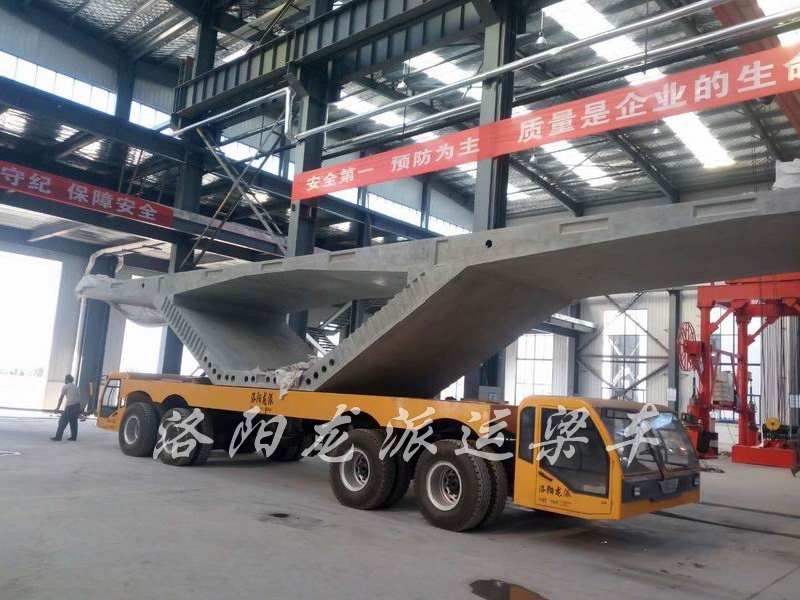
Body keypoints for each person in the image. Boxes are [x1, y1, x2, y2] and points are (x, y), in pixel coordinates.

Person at [51, 375, 82, 441]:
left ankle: (58, 437)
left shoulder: (66, 386)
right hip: (77, 406)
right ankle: (73, 437)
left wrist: (57, 408)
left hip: (70, 406)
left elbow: (61, 398)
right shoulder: (76, 387)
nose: (64, 381)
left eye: (65, 379)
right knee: (73, 421)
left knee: (62, 421)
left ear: (67, 380)